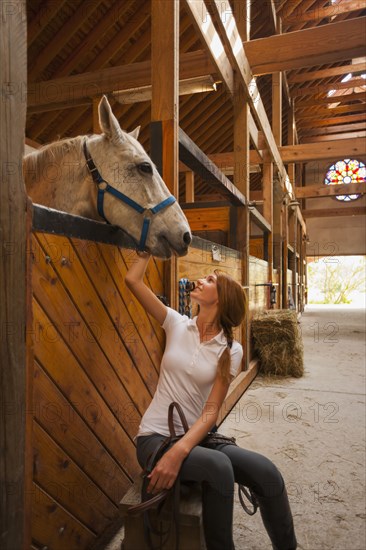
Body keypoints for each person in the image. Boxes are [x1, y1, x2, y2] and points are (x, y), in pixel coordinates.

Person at [125, 252, 297, 550]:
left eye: (210, 280)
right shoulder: (176, 324)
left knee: (267, 473)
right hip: (155, 437)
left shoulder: (232, 350)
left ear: (221, 298)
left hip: (198, 438)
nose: (201, 281)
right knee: (219, 468)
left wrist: (180, 451)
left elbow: (211, 413)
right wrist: (149, 248)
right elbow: (133, 280)